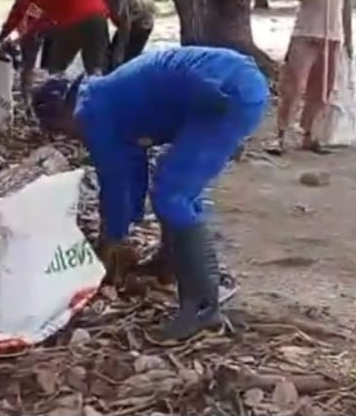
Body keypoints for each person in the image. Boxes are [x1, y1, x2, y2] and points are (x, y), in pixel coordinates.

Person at [30, 47, 269, 344]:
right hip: (227, 82)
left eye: (60, 131)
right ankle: (169, 263)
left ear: (63, 114)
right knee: (175, 186)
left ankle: (203, 309)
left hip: (222, 94)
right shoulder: (103, 98)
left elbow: (116, 183)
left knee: (173, 195)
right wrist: (121, 226)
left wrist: (112, 241)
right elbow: (133, 168)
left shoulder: (92, 114)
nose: (68, 137)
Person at [269, 0, 354, 155]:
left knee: (322, 90)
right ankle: (281, 136)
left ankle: (309, 135)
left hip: (332, 35)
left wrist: (349, 39)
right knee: (293, 86)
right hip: (306, 32)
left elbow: (346, 4)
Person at [0, 0, 110, 105]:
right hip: (98, 16)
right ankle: (99, 107)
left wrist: (8, 36)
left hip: (73, 20)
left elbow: (23, 9)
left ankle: (55, 108)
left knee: (56, 67)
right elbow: (39, 11)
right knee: (95, 70)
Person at [83, 0, 155, 70]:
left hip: (140, 25)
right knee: (110, 57)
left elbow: (125, 24)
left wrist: (120, 51)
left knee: (125, 61)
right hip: (126, 25)